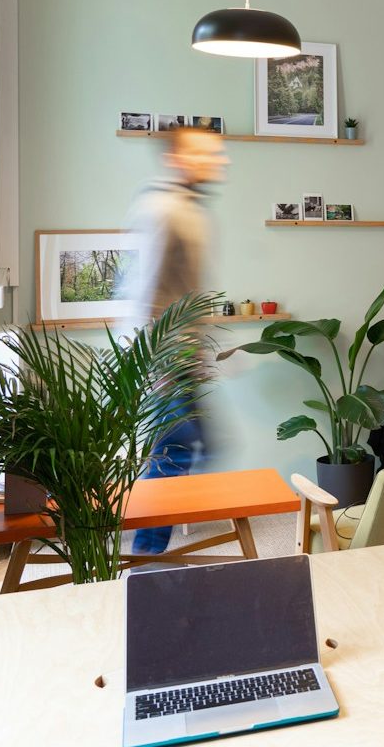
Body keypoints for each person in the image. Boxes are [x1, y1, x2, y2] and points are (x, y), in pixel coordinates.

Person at [125, 126, 228, 555]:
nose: (219, 161)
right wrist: (157, 370)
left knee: (202, 449)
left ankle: (149, 551)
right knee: (175, 455)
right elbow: (144, 292)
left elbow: (185, 294)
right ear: (176, 158)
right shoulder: (163, 210)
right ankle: (146, 560)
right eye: (206, 153)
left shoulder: (191, 210)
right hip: (165, 365)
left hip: (184, 362)